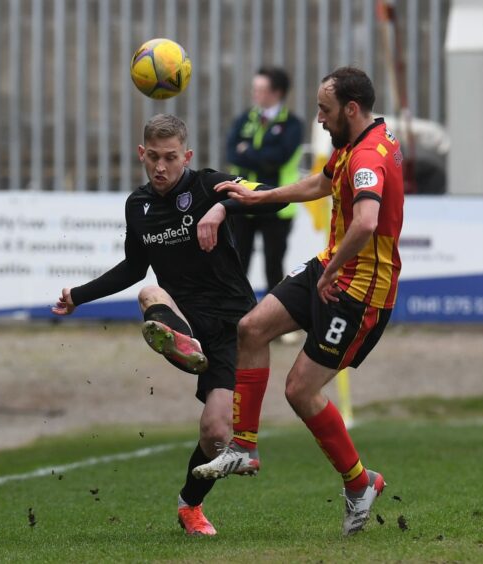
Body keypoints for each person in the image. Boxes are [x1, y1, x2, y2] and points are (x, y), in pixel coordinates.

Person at [192, 67, 405, 537]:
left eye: (325, 110)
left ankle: (359, 484)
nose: (319, 118)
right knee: (251, 328)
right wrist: (256, 198)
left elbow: (367, 220)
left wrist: (331, 271)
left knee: (300, 391)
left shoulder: (369, 154)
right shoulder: (353, 143)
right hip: (328, 269)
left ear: (351, 109)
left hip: (359, 292)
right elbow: (320, 184)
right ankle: (243, 448)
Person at [52, 114, 284, 537]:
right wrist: (78, 296)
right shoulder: (137, 206)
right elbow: (133, 269)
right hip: (182, 311)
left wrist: (223, 205)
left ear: (187, 156)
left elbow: (275, 197)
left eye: (171, 158)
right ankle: (180, 339)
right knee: (148, 293)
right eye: (154, 157)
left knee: (217, 433)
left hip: (233, 324)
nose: (161, 167)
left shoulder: (208, 184)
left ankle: (189, 505)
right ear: (142, 154)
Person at [226, 66, 304, 293]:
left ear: (277, 93)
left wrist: (247, 151)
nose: (255, 94)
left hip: (276, 205)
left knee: (273, 266)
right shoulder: (244, 119)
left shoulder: (292, 124)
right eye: (254, 88)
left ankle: (274, 322)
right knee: (237, 264)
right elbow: (231, 153)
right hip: (241, 203)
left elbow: (279, 158)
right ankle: (236, 320)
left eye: (260, 89)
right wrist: (259, 156)